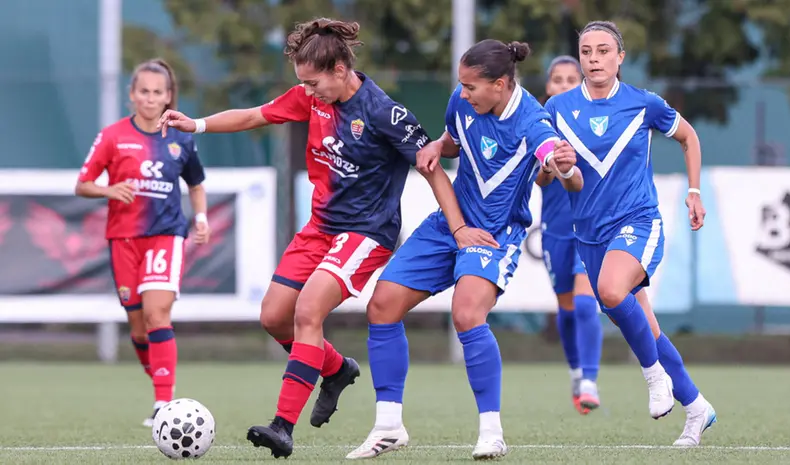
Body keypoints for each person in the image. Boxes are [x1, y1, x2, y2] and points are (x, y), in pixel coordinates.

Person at [157, 18, 466, 459]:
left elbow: (432, 166)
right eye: (302, 82)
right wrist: (197, 125)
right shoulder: (310, 99)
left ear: (340, 69)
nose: (307, 89)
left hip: (365, 234)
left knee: (307, 310)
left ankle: (283, 426)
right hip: (319, 229)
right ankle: (337, 370)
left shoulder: (384, 113)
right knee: (274, 316)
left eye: (313, 80)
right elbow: (254, 115)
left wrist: (458, 227)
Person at [347, 39, 583, 460]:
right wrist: (439, 144)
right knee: (381, 305)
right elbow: (455, 139)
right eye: (462, 85)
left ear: (501, 84)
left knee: (467, 313)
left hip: (495, 234)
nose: (463, 92)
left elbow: (559, 169)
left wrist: (562, 167)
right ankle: (388, 426)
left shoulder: (534, 121)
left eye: (472, 86)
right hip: (450, 224)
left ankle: (491, 432)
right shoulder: (463, 99)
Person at [544, 20, 717, 446]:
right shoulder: (557, 109)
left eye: (604, 51)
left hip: (638, 221)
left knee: (610, 290)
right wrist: (557, 167)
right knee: (647, 325)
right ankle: (696, 408)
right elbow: (547, 177)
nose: (594, 59)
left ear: (620, 58)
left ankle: (653, 376)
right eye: (587, 52)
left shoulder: (644, 104)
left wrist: (694, 191)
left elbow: (689, 136)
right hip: (588, 233)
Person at [75, 58, 211, 427]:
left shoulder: (180, 137)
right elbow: (82, 184)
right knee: (138, 328)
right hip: (123, 239)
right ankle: (162, 386)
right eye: (144, 92)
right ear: (131, 95)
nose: (150, 99)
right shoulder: (112, 136)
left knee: (156, 314)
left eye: (157, 92)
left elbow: (195, 184)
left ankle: (162, 404)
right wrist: (108, 189)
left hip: (166, 235)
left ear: (168, 97)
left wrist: (200, 219)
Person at [539, 56, 603, 415]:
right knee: (566, 307)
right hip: (555, 231)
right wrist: (551, 163)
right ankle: (576, 373)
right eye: (557, 79)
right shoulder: (540, 125)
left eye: (570, 79)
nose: (563, 85)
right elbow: (538, 179)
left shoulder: (594, 121)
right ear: (548, 87)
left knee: (583, 301)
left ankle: (590, 379)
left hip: (590, 228)